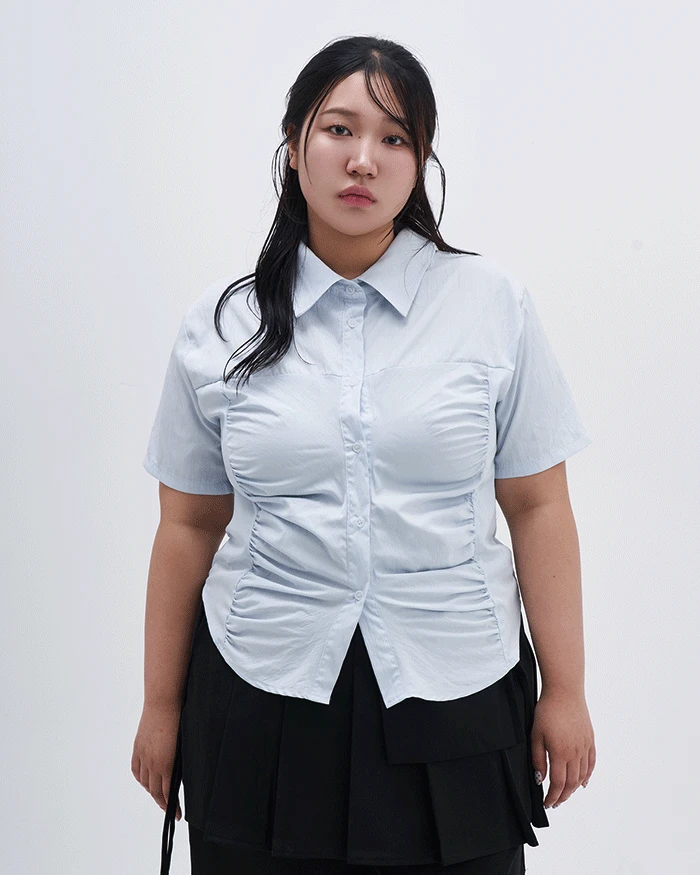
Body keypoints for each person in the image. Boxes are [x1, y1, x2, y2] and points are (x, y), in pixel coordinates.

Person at [132, 34, 596, 875]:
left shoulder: (492, 305)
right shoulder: (221, 324)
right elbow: (189, 525)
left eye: (394, 138)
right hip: (260, 690)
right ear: (294, 145)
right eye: (338, 129)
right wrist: (160, 705)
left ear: (422, 161)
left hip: (457, 690)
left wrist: (566, 689)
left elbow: (537, 505)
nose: (363, 160)